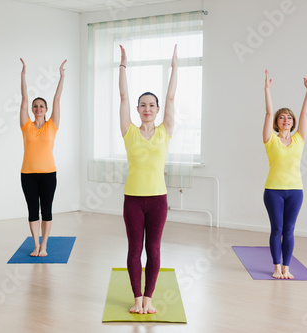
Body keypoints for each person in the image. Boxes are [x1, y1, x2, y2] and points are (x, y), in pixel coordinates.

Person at [119, 44, 177, 314]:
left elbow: (172, 99)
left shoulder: (165, 131)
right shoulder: (129, 131)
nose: (146, 108)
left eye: (151, 105)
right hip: (132, 199)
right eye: (143, 105)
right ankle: (136, 297)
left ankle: (149, 298)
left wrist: (175, 68)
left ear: (156, 110)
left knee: (153, 249)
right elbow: (123, 98)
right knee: (134, 249)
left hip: (158, 200)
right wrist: (123, 66)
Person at [263, 70, 307, 279]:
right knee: (277, 229)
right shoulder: (270, 139)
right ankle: (277, 267)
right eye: (282, 117)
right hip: (273, 191)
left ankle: (287, 267)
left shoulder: (299, 139)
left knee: (289, 230)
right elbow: (268, 113)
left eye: (289, 117)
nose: (286, 120)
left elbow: (305, 114)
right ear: (277, 122)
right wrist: (267, 89)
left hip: (295, 191)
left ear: (293, 122)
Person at [19, 58, 66, 257]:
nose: (38, 108)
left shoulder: (51, 126)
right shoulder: (26, 126)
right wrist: (23, 76)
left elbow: (57, 100)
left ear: (46, 110)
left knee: (46, 209)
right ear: (32, 110)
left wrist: (62, 76)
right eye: (35, 106)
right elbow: (23, 99)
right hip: (28, 174)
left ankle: (44, 246)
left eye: (41, 106)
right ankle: (36, 245)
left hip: (48, 174)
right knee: (32, 210)